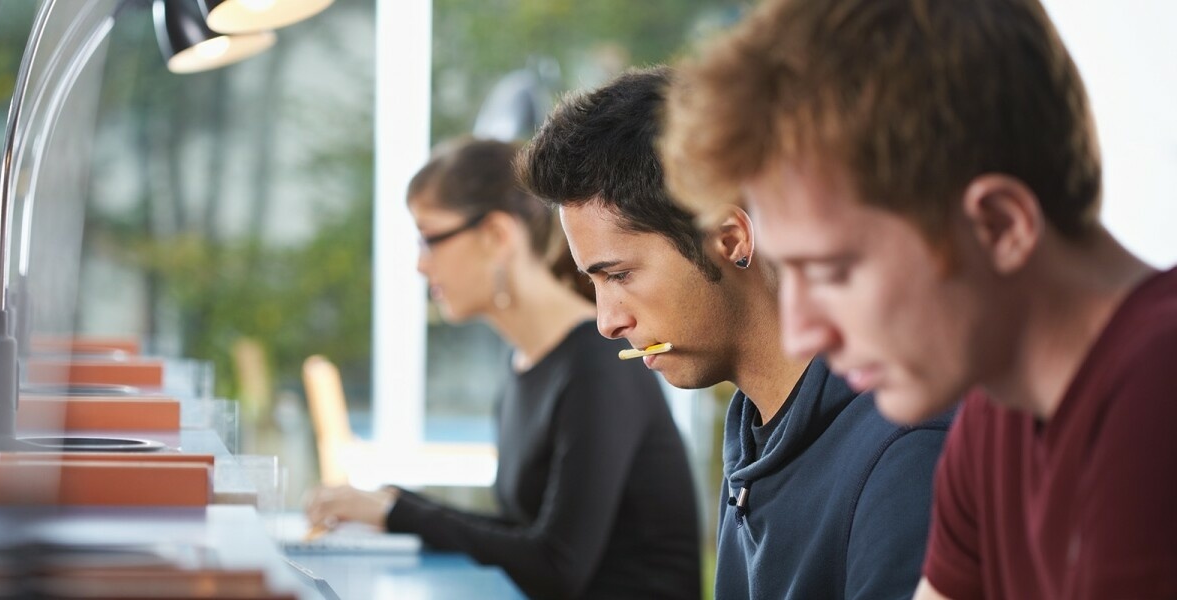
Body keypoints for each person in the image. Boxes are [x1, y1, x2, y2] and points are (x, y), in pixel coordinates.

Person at [662, 1, 1177, 598]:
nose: (801, 333)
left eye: (831, 271)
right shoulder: (997, 415)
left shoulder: (1156, 394)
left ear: (999, 227)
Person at [518, 66, 950, 600]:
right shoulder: (754, 434)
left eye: (620, 275)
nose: (608, 322)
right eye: (596, 283)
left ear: (729, 238)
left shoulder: (908, 452)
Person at [305, 138, 701, 600]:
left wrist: (398, 514)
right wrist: (393, 502)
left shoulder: (598, 365)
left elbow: (556, 566)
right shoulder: (524, 360)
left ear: (497, 235)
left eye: (430, 238)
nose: (419, 263)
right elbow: (523, 532)